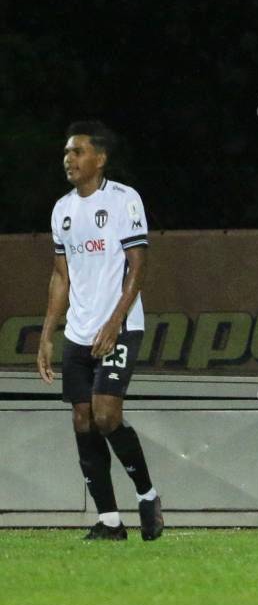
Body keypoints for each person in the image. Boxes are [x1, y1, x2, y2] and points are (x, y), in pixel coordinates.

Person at [37, 121, 164, 541]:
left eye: (77, 152)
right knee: (82, 419)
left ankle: (147, 496)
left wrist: (114, 323)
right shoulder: (62, 209)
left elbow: (138, 266)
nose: (68, 159)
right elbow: (61, 277)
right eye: (66, 153)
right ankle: (109, 521)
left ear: (100, 158)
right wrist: (47, 333)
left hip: (119, 326)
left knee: (107, 415)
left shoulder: (125, 200)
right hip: (78, 331)